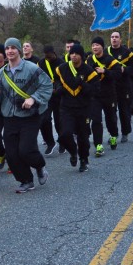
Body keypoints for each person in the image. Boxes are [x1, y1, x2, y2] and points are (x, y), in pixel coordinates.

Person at [0, 37, 53, 193]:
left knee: (25, 150)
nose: (10, 51)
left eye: (13, 48)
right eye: (7, 48)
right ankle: (26, 181)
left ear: (18, 50)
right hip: (9, 117)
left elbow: (47, 86)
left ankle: (39, 166)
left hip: (30, 116)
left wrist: (33, 98)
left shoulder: (31, 68)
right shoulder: (2, 73)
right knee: (11, 154)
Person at [55, 44, 99, 172]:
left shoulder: (89, 71)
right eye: (71, 53)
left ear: (81, 56)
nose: (73, 55)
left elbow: (95, 90)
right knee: (64, 135)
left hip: (83, 108)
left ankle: (83, 159)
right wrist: (59, 88)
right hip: (66, 107)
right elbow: (56, 79)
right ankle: (73, 152)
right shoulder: (62, 68)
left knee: (83, 136)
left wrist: (82, 84)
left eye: (76, 53)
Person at [86, 36, 122, 157]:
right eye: (93, 45)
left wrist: (105, 71)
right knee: (96, 120)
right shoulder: (89, 60)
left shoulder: (110, 59)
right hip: (95, 95)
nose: (95, 47)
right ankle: (98, 145)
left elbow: (118, 74)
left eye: (97, 45)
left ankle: (113, 135)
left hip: (109, 94)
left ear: (102, 46)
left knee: (111, 118)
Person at [107, 31, 133, 142]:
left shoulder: (127, 52)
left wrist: (125, 69)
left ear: (120, 39)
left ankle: (125, 132)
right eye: (112, 37)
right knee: (111, 112)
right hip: (110, 86)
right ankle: (114, 133)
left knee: (124, 111)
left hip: (124, 86)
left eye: (116, 37)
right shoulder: (105, 52)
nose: (114, 39)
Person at [37, 45, 63, 156]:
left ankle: (63, 142)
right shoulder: (41, 63)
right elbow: (37, 78)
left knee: (59, 121)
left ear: (54, 53)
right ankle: (50, 142)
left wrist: (57, 90)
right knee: (44, 119)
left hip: (59, 96)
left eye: (49, 56)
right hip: (46, 96)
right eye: (46, 56)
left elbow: (64, 80)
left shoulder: (61, 63)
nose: (47, 58)